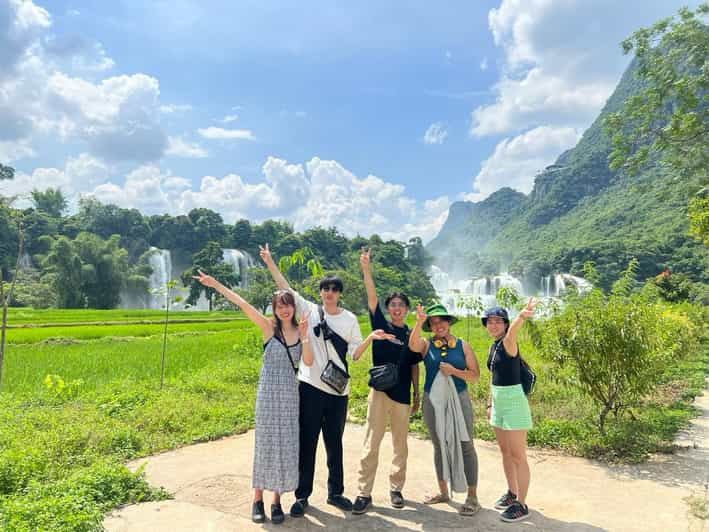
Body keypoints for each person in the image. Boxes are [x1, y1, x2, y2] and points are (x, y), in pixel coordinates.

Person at [259, 243, 394, 517]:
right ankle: (302, 496)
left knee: (335, 443)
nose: (330, 293)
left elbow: (355, 355)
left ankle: (335, 493)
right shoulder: (308, 309)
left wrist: (369, 338)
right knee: (306, 442)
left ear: (339, 294)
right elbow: (284, 288)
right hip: (309, 387)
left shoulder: (349, 319)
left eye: (335, 290)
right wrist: (270, 261)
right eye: (326, 289)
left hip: (338, 390)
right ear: (320, 293)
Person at [193, 270, 313, 525]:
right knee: (266, 445)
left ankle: (276, 501)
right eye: (279, 306)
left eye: (287, 305)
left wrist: (305, 337)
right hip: (268, 394)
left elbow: (309, 362)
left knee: (285, 446)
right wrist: (215, 284)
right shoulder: (268, 328)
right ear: (274, 309)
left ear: (293, 307)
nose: (284, 311)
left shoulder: (301, 332)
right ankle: (257, 499)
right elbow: (242, 303)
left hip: (290, 395)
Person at [352, 247, 422, 514]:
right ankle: (364, 492)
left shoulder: (410, 333)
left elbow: (415, 366)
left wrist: (417, 395)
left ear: (406, 310)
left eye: (400, 306)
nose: (396, 309)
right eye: (392, 305)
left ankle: (396, 488)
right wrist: (366, 268)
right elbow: (371, 296)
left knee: (400, 445)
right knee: (372, 442)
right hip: (380, 392)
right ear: (388, 308)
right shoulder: (380, 324)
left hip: (403, 394)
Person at [408, 303, 481, 516]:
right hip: (433, 399)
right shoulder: (426, 344)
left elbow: (475, 375)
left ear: (449, 322)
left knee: (466, 445)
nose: (438, 324)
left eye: (442, 320)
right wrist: (419, 322)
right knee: (439, 445)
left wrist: (454, 371)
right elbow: (412, 345)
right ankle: (443, 492)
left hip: (459, 398)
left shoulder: (463, 346)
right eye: (434, 322)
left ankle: (472, 496)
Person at [483, 299, 538, 523]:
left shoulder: (508, 343)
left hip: (514, 401)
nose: (494, 325)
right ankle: (512, 492)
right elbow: (492, 377)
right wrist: (489, 403)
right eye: (490, 321)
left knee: (518, 455)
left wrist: (521, 317)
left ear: (505, 324)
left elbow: (514, 331)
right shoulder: (493, 346)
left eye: (498, 321)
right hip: (498, 401)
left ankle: (522, 505)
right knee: (505, 452)